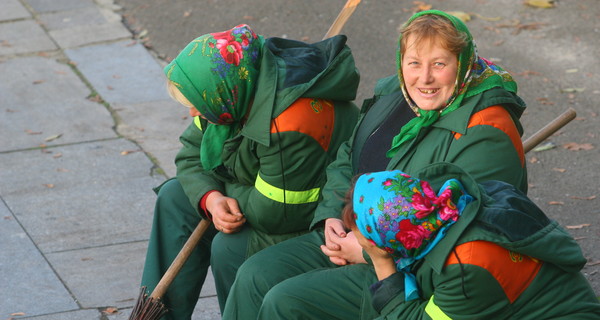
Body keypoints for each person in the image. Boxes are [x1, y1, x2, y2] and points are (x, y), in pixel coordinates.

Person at [223, 10, 530, 319]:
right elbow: (349, 157)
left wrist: (370, 251)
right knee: (255, 274)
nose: (424, 78)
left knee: (286, 301)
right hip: (351, 233)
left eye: (439, 64)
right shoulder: (396, 98)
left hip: (408, 270)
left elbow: (461, 230)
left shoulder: (486, 132)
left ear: (461, 64)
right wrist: (331, 216)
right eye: (414, 63)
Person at [139, 24, 360, 319]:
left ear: (220, 94)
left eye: (197, 105)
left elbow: (274, 212)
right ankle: (161, 315)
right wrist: (211, 198)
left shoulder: (291, 122)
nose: (193, 113)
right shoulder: (225, 97)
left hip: (310, 220)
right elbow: (191, 156)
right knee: (175, 196)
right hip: (257, 194)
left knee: (229, 245)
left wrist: (223, 190)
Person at [345, 163, 600, 319]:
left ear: (383, 241)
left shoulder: (466, 265)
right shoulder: (445, 210)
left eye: (363, 236)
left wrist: (383, 265)